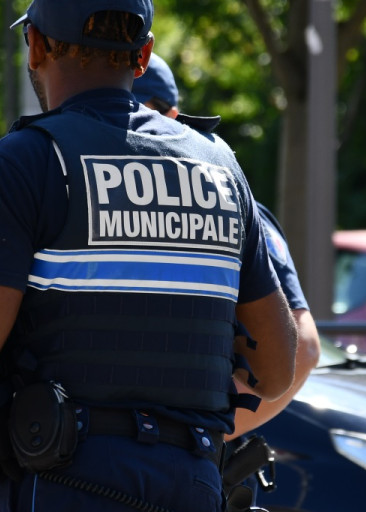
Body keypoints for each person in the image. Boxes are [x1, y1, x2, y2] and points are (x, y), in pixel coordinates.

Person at [0, 0, 298, 512]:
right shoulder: (219, 166)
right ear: (143, 56)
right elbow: (277, 369)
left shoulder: (24, 161)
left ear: (37, 46)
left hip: (64, 489)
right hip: (193, 489)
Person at [132, 54, 322, 436]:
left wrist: (203, 432)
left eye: (137, 110)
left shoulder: (227, 201)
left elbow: (303, 347)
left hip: (198, 463)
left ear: (171, 116)